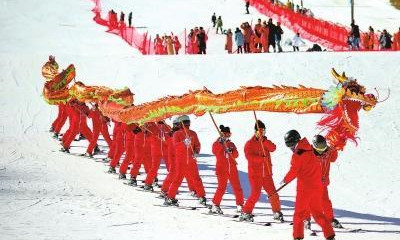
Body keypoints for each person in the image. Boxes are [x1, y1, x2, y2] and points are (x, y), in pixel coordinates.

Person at [282, 130, 336, 240]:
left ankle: (297, 237)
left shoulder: (298, 154)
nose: (292, 148)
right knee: (318, 214)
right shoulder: (312, 149)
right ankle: (330, 236)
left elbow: (294, 171)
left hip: (305, 190)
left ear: (296, 142)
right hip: (317, 188)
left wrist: (285, 180)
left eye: (292, 146)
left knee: (298, 215)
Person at [239, 120, 283, 222]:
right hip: (255, 175)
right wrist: (261, 159)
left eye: (263, 131)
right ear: (255, 132)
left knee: (273, 193)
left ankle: (277, 212)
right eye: (260, 131)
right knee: (255, 194)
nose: (262, 133)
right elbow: (249, 157)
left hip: (267, 174)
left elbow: (273, 148)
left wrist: (264, 141)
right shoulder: (249, 143)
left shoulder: (265, 142)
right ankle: (246, 212)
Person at [164, 115, 207, 206]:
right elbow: (175, 146)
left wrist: (196, 151)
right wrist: (183, 143)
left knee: (196, 178)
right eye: (185, 123)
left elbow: (197, 145)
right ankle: (170, 197)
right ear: (181, 124)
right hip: (181, 160)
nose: (187, 124)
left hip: (191, 160)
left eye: (188, 122)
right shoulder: (177, 134)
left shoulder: (193, 133)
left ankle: (202, 196)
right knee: (178, 179)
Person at [304, 135, 342, 230]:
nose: (322, 149)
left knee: (326, 203)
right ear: (315, 146)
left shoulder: (328, 152)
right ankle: (306, 219)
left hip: (322, 184)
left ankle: (331, 219)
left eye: (323, 146)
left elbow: (333, 159)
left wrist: (334, 149)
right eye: (320, 147)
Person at [210, 125, 244, 214]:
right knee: (222, 187)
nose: (227, 136)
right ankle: (215, 205)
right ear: (222, 134)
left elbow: (236, 155)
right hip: (221, 169)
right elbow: (214, 151)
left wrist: (232, 152)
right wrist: (220, 143)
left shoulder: (231, 144)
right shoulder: (217, 143)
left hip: (232, 169)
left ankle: (240, 205)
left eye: (229, 134)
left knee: (237, 188)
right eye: (225, 134)